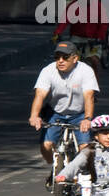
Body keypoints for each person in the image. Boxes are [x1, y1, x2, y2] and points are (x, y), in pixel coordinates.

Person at [28, 40, 98, 177]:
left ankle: (90, 173)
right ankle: (55, 169)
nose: (60, 61)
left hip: (80, 113)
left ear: (75, 58)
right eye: (57, 57)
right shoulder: (48, 71)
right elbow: (40, 94)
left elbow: (89, 96)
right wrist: (34, 116)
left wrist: (87, 119)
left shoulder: (85, 71)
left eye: (65, 57)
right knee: (45, 146)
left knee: (85, 149)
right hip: (55, 112)